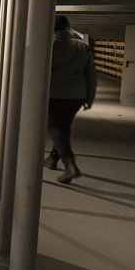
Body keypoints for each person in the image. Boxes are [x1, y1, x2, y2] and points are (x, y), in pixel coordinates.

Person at [44, 14, 97, 184]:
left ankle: (70, 165)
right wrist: (90, 96)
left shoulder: (48, 47)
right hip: (77, 95)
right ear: (68, 28)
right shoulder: (82, 47)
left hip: (54, 93)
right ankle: (52, 157)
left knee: (55, 127)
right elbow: (91, 75)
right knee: (64, 126)